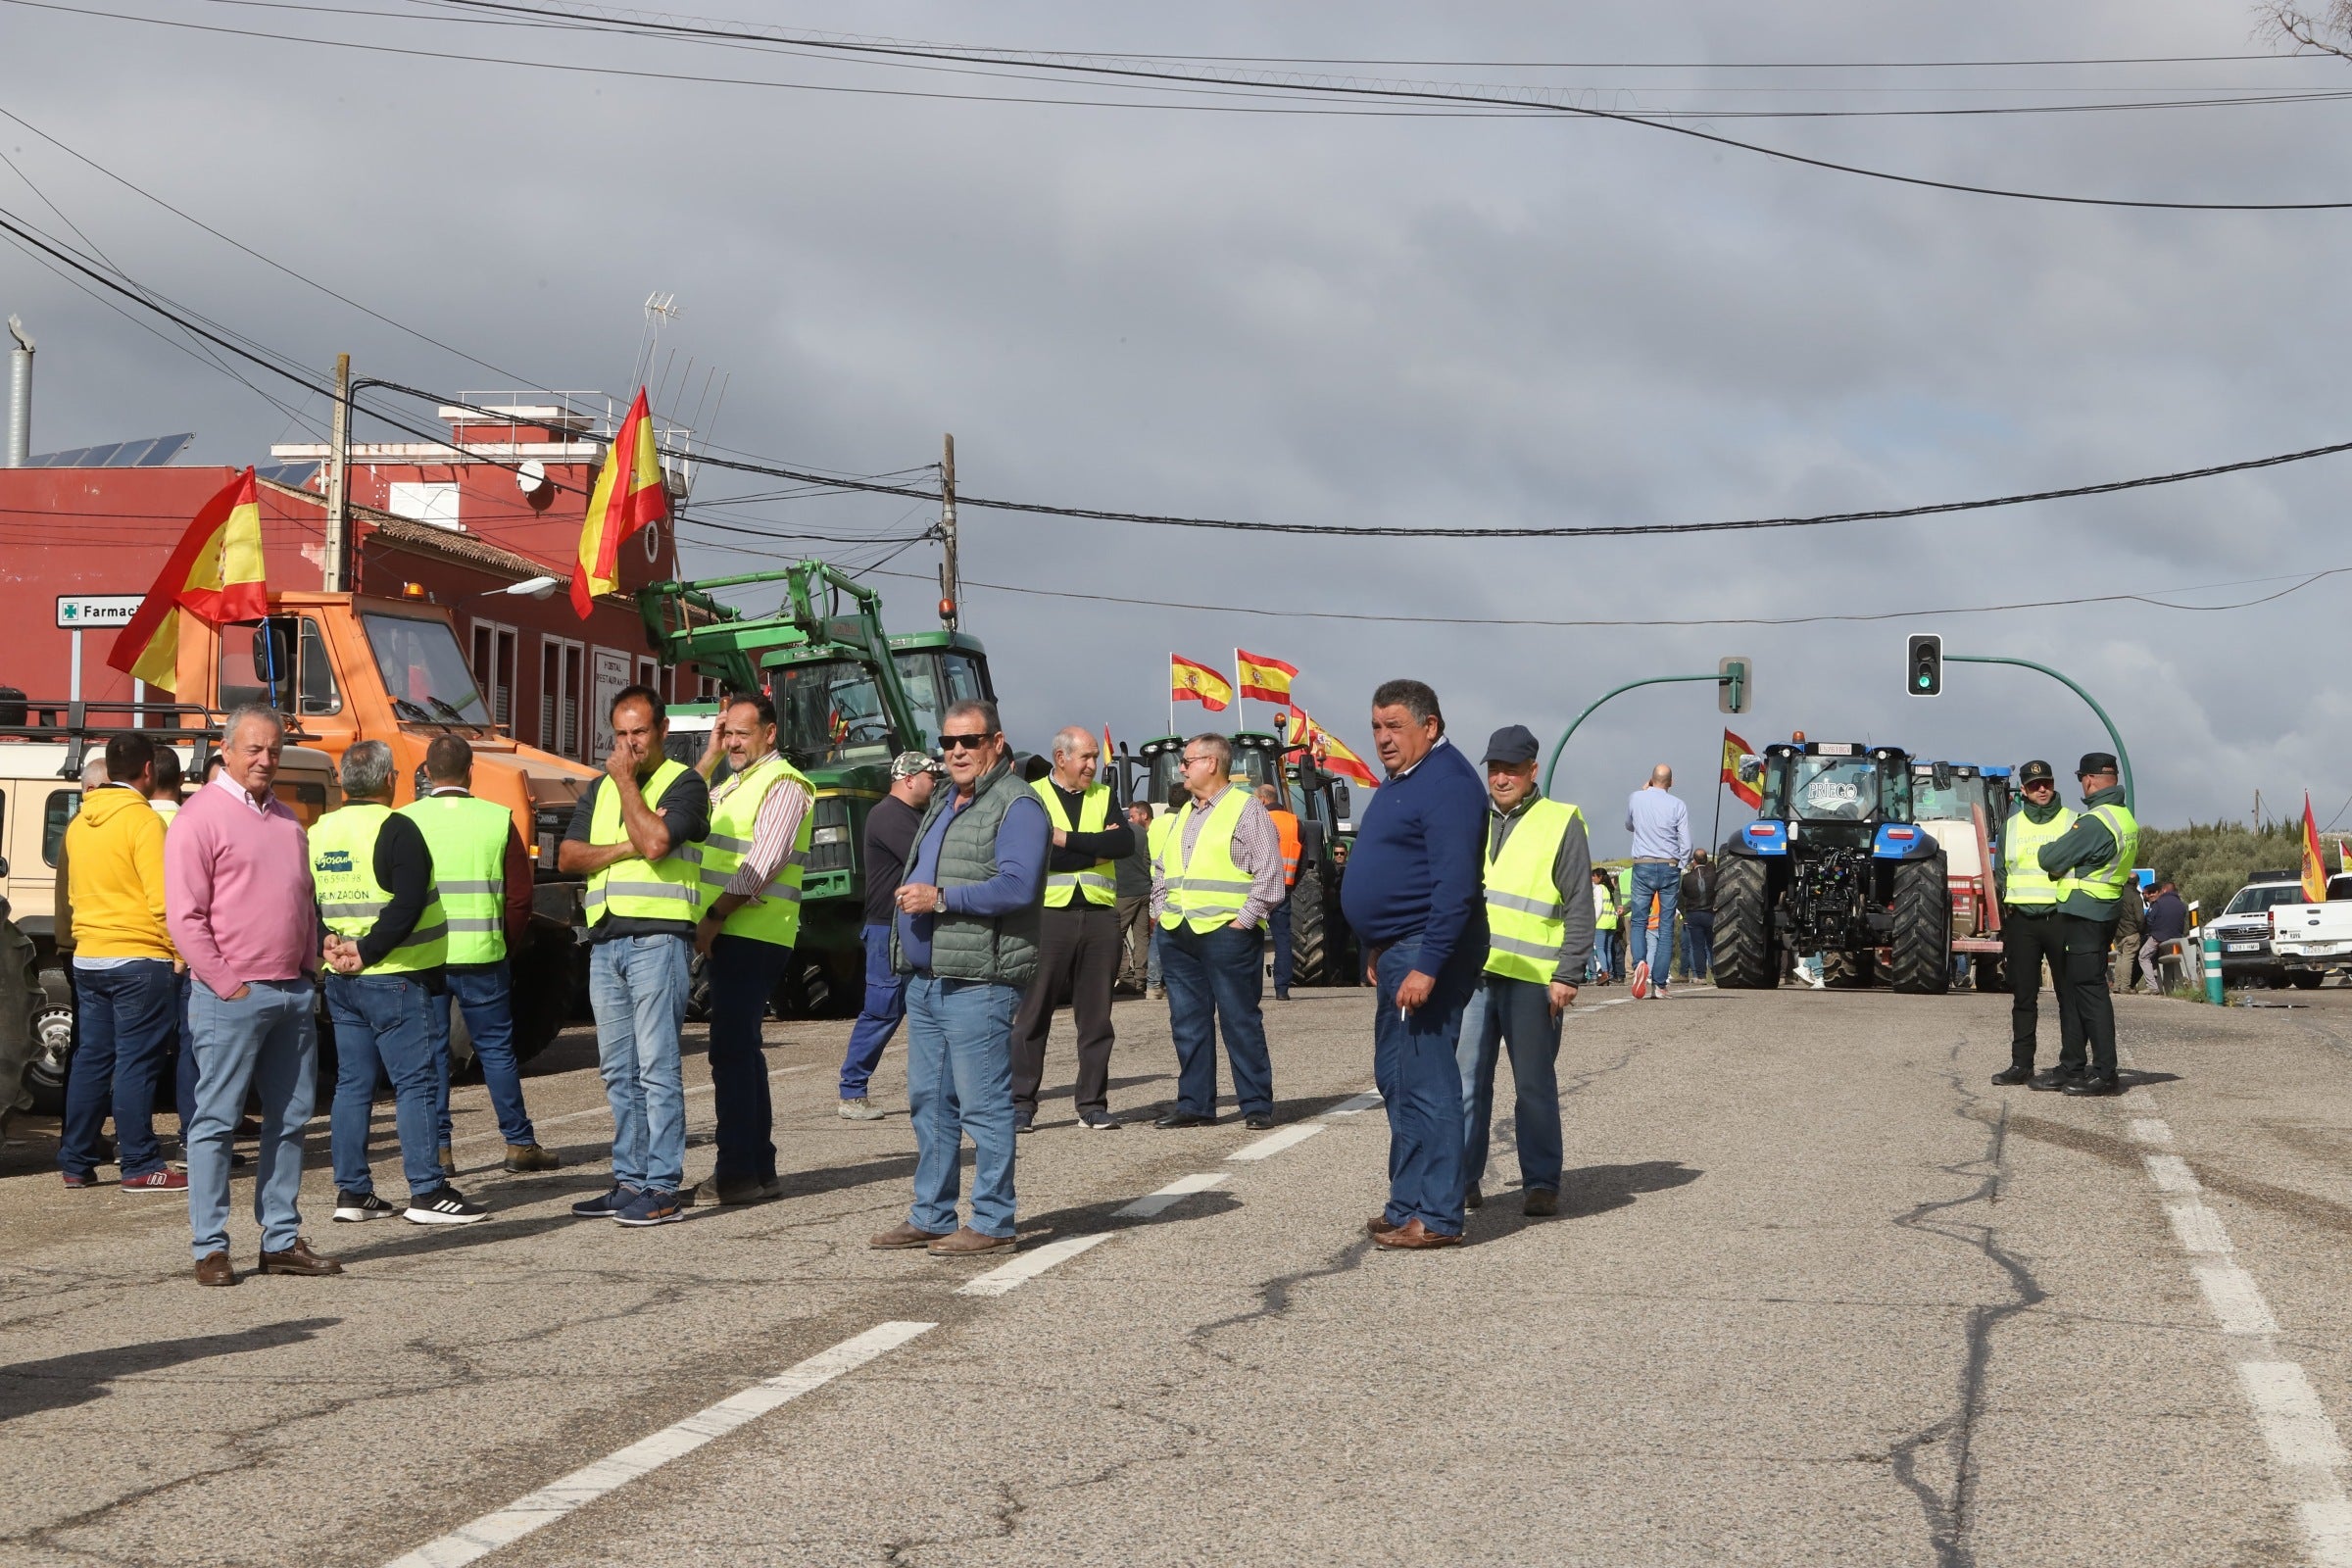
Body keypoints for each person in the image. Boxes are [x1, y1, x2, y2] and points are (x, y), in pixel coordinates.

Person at [166, 706, 340, 1286]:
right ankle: (210, 1247)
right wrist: (227, 984)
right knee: (215, 1122)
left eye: (274, 750)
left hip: (291, 991)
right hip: (232, 996)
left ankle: (281, 1240)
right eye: (255, 749)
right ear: (226, 749)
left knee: (290, 1122)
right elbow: (185, 918)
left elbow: (300, 905)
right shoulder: (199, 818)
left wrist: (318, 954)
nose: (266, 759)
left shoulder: (288, 821)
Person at [868, 699, 1046, 1256]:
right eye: (948, 743)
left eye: (970, 741)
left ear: (996, 742)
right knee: (929, 1102)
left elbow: (1018, 886)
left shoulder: (1018, 805)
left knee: (984, 1106)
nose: (958, 752)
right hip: (927, 980)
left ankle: (993, 1222)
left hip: (980, 981)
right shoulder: (946, 799)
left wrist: (940, 898)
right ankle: (932, 1214)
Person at [558, 685, 711, 1227]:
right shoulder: (598, 789)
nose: (629, 745)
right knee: (618, 1070)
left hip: (656, 940)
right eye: (620, 735)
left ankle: (663, 1184)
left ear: (662, 731)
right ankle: (630, 1178)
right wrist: (623, 843)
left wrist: (626, 785)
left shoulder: (686, 784)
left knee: (657, 1066)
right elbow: (569, 855)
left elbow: (656, 844)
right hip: (606, 941)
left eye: (639, 733)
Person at [315, 741, 485, 1226]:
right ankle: (428, 1191)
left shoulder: (321, 830)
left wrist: (327, 942)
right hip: (397, 977)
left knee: (353, 1084)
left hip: (342, 980)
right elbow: (406, 905)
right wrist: (368, 950)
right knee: (417, 1084)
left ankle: (353, 1192)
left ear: (345, 782)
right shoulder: (397, 828)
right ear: (390, 781)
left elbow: (307, 898)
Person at [1343, 679, 1486, 1250]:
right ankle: (1406, 1203)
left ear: (1430, 726)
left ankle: (1440, 1215)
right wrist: (1379, 942)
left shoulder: (1448, 783)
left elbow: (1455, 886)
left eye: (1394, 726)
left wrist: (1427, 964)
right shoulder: (1406, 780)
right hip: (1401, 947)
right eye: (1376, 726)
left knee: (1429, 1082)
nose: (1382, 738)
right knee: (1398, 1079)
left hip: (1430, 948)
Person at [402, 735, 558, 1179]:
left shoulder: (405, 821)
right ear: (471, 771)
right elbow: (521, 898)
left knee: (431, 1055)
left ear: (427, 774)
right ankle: (519, 1143)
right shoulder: (496, 820)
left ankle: (441, 1151)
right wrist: (502, 942)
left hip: (425, 959)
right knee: (496, 1053)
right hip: (484, 956)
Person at [1457, 725, 1592, 1218]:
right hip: (1474, 975)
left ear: (1533, 771)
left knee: (1533, 1085)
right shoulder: (1473, 818)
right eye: (1494, 768)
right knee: (1467, 1083)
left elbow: (1580, 903)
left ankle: (1540, 1182)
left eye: (1511, 769)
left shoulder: (1561, 822)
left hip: (1535, 980)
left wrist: (1568, 974)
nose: (1501, 777)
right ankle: (1462, 1180)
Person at [692, 693, 814, 1203]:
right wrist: (710, 755)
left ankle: (737, 1170)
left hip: (750, 931)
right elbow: (679, 808)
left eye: (742, 732)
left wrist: (715, 917)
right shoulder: (731, 783)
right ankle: (756, 1168)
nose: (733, 741)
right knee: (742, 1053)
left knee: (731, 1054)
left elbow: (761, 863)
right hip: (737, 930)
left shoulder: (782, 783)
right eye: (727, 732)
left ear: (769, 733)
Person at [58, 732, 182, 1192]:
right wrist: (180, 952)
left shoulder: (77, 823)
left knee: (92, 1058)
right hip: (138, 957)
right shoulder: (144, 823)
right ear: (148, 770)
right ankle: (139, 1164)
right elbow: (163, 899)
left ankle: (76, 1159)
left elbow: (73, 896)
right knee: (136, 1063)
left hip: (89, 956)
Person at [1152, 734, 1285, 1131]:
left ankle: (1256, 1105)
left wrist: (1245, 919)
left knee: (1239, 1020)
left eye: (1187, 761)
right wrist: (1161, 911)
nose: (1181, 768)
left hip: (1228, 933)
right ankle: (1195, 1104)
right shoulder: (1183, 815)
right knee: (1187, 1023)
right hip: (1179, 932)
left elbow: (1271, 873)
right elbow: (1163, 869)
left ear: (1211, 763)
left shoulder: (1246, 810)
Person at [1011, 726, 1136, 1133]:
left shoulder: (1103, 795)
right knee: (1033, 1014)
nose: (1092, 765)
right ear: (1061, 758)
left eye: (1095, 757)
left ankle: (1093, 1104)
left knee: (1097, 1018)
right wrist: (1094, 848)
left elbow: (1125, 846)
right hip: (1049, 916)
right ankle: (1021, 1105)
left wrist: (1066, 840)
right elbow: (1036, 856)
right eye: (1085, 757)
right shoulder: (1031, 795)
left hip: (1100, 917)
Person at [838, 752, 938, 1119]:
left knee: (930, 1008)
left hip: (909, 922)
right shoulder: (889, 815)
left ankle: (938, 1091)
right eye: (930, 776)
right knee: (882, 1010)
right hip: (887, 927)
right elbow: (927, 858)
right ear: (909, 778)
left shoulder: (915, 814)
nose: (935, 783)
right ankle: (852, 1092)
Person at [2035, 753, 2139, 1098]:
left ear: (2090, 779)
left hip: (2085, 913)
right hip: (2103, 910)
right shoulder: (2123, 817)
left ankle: (2104, 1072)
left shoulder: (2096, 821)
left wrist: (2057, 857)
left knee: (2090, 992)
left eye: (2081, 778)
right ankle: (2075, 1065)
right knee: (2082, 989)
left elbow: (2050, 858)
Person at [1989, 760, 2079, 1089]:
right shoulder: (2010, 826)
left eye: (2047, 783)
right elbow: (2002, 872)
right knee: (2023, 996)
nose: (2042, 789)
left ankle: (2071, 1063)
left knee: (2068, 995)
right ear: (2023, 790)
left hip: (2061, 917)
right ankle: (2021, 1064)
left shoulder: (2072, 821)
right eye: (2034, 785)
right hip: (2023, 921)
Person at [1624, 765, 1690, 1000]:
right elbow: (1686, 843)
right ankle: (1660, 985)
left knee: (1640, 920)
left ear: (1651, 780)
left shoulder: (1635, 797)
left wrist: (1642, 793)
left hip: (1642, 864)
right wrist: (1679, 866)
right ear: (1671, 782)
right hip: (1669, 865)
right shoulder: (1678, 805)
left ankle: (1640, 962)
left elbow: (1630, 825)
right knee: (1665, 926)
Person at [1258, 782, 1302, 1001]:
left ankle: (1252, 987)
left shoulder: (1258, 819)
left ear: (1263, 800)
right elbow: (1304, 860)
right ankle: (1282, 989)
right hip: (1284, 887)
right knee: (1283, 938)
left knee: (1252, 937)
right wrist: (1292, 882)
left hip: (1258, 887)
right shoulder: (1295, 822)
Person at [1145, 786, 1186, 999]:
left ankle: (1153, 984)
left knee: (1159, 933)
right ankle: (1174, 982)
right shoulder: (1187, 822)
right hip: (1180, 883)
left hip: (1156, 883)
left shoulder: (1155, 825)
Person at [1114, 801, 1154, 995]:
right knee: (1142, 937)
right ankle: (1141, 980)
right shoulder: (1141, 832)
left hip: (1124, 892)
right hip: (1144, 890)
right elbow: (1148, 859)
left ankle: (1126, 977)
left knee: (1114, 933)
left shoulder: (1114, 833)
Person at [1680, 849, 1717, 983]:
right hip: (1711, 913)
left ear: (1694, 861)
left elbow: (1683, 895)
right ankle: (1716, 973)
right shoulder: (1714, 875)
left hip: (1693, 914)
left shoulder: (1687, 878)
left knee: (1697, 946)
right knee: (1713, 945)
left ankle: (1700, 976)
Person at [2147, 879, 2190, 989]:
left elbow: (2150, 920)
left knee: (2143, 956)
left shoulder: (2159, 903)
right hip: (2175, 938)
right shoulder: (2181, 905)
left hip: (2159, 936)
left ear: (2164, 890)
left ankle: (2153, 986)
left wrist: (2152, 932)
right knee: (2170, 961)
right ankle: (2172, 988)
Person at [2110, 878, 2148, 994]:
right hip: (2131, 932)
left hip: (2118, 933)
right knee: (2128, 959)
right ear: (2137, 883)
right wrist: (2141, 931)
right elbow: (2140, 918)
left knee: (2120, 957)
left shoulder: (2117, 894)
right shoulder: (2135, 897)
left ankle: (2117, 985)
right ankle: (2125, 987)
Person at [1589, 869, 1619, 984]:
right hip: (1611, 922)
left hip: (1601, 922)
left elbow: (1599, 907)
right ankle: (1609, 973)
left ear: (1600, 877)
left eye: (1594, 876)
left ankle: (1605, 973)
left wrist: (1593, 921)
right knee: (1608, 949)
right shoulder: (1610, 889)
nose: (1592, 878)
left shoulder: (1598, 889)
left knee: (1600, 949)